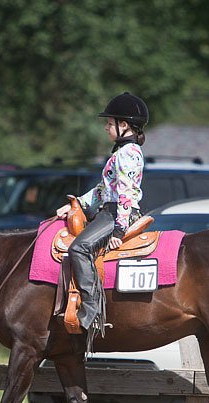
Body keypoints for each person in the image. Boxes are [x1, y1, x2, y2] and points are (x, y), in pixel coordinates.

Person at [56, 92, 149, 341]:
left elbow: (126, 193)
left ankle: (92, 305)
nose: (106, 128)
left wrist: (119, 230)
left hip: (117, 213)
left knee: (79, 248)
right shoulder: (121, 153)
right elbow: (102, 190)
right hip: (109, 210)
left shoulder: (128, 154)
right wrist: (77, 204)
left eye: (109, 124)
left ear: (124, 125)